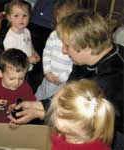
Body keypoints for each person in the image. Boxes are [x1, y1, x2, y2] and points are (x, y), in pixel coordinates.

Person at [8, 11, 124, 149]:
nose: (63, 51)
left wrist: (40, 111)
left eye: (67, 45)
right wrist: (36, 106)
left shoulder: (111, 79)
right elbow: (68, 93)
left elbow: (77, 116)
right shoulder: (84, 60)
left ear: (86, 46)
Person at [47, 79, 115, 150]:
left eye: (56, 111)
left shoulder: (59, 144)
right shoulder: (101, 144)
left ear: (62, 125)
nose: (53, 114)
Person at [35, 0, 79, 100]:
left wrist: (63, 78)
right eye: (58, 20)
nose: (60, 25)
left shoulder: (76, 39)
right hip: (48, 77)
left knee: (54, 102)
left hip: (63, 81)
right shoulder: (54, 35)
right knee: (39, 95)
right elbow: (46, 53)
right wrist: (47, 71)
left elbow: (75, 64)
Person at [3, 0, 40, 71]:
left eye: (25, 15)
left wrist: (34, 52)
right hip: (17, 71)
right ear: (9, 17)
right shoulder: (11, 38)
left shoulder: (26, 31)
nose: (21, 19)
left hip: (27, 68)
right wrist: (28, 60)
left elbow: (29, 45)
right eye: (16, 15)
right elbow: (11, 59)